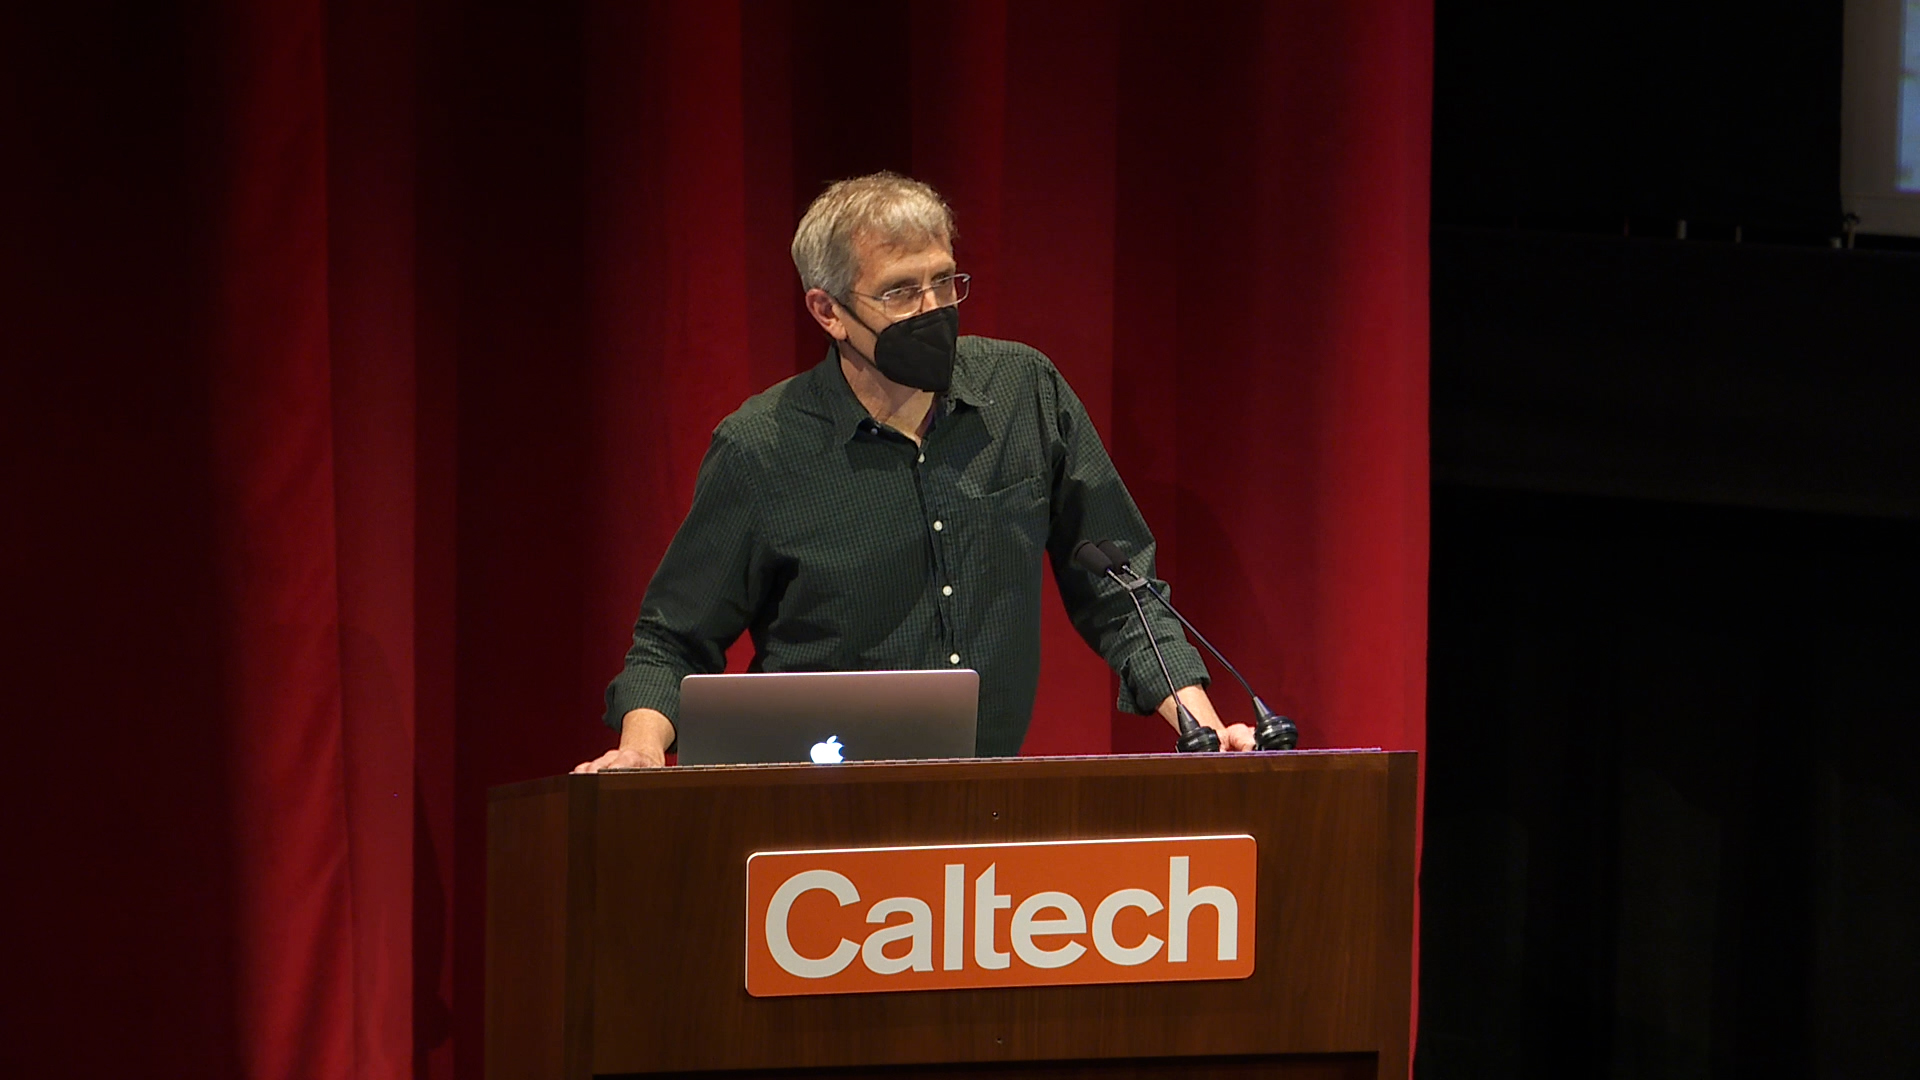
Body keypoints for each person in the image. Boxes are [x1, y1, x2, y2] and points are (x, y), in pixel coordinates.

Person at [575, 172, 1253, 773]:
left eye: (944, 282)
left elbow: (1121, 589)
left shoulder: (1024, 392)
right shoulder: (762, 448)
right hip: (802, 813)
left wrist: (1201, 727)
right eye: (901, 293)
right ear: (828, 311)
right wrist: (640, 749)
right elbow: (674, 638)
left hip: (974, 806)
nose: (933, 310)